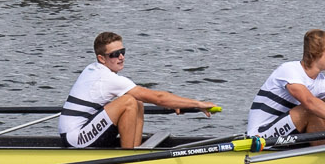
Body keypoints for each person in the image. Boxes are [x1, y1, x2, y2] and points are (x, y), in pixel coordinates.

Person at [59, 31, 221, 148]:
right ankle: (129, 157)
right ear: (101, 58)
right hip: (75, 139)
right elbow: (157, 97)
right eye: (115, 54)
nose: (121, 57)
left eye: (122, 52)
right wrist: (197, 103)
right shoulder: (106, 78)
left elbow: (151, 97)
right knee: (129, 101)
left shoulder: (93, 68)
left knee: (136, 100)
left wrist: (176, 103)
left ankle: (134, 150)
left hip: (83, 129)